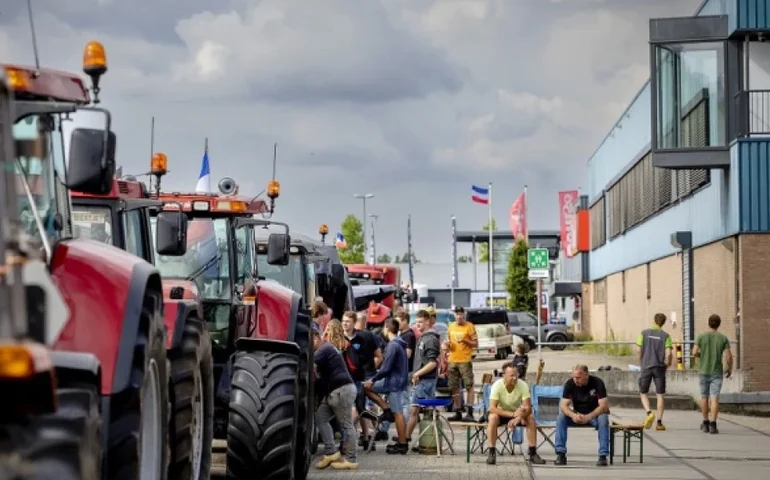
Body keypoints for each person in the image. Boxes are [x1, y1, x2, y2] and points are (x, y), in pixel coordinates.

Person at [313, 325, 358, 470]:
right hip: (334, 391)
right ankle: (331, 451)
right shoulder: (327, 347)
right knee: (320, 417)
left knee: (346, 425)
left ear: (315, 338)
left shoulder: (322, 350)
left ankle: (351, 459)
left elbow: (307, 365)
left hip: (341, 391)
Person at [362, 318, 410, 454]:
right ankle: (387, 410)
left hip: (393, 383)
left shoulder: (393, 345)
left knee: (398, 413)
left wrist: (373, 379)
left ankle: (402, 444)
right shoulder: (400, 344)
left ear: (387, 329)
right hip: (397, 381)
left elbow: (386, 368)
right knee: (367, 388)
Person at [485, 362, 546, 466]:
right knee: (493, 417)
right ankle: (491, 452)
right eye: (511, 376)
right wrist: (512, 415)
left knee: (530, 418)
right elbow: (492, 408)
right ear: (504, 376)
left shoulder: (522, 385)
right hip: (502, 413)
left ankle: (533, 453)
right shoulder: (497, 385)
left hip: (518, 414)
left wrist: (518, 417)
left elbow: (528, 408)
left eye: (516, 375)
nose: (515, 378)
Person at [554, 364, 610, 467]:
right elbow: (563, 405)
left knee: (603, 418)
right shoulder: (570, 384)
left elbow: (603, 406)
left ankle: (603, 456)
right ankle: (560, 453)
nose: (576, 380)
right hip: (577, 414)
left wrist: (589, 416)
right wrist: (573, 415)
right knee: (561, 417)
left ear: (586, 375)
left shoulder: (597, 383)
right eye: (574, 377)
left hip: (594, 415)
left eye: (578, 377)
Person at [341, 311, 382, 446]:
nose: (345, 324)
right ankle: (366, 436)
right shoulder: (339, 338)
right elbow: (379, 357)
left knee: (360, 408)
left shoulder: (364, 338)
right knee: (361, 407)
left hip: (363, 377)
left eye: (348, 321)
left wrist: (368, 368)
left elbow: (377, 356)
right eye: (344, 321)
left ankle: (350, 440)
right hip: (347, 379)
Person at [404, 309, 441, 447]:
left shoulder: (430, 339)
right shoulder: (422, 337)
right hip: (421, 379)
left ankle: (405, 440)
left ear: (427, 321)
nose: (417, 324)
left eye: (420, 322)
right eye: (416, 322)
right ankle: (422, 441)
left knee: (414, 410)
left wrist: (417, 374)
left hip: (426, 381)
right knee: (418, 411)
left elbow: (433, 363)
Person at [692, 314, 733, 434]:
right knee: (715, 398)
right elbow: (729, 356)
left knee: (704, 397)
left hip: (703, 371)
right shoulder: (723, 338)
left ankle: (705, 423)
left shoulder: (701, 336)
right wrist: (729, 369)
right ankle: (713, 425)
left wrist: (701, 355)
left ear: (708, 323)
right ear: (719, 324)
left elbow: (694, 352)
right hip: (717, 372)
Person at [380, 310, 416, 438]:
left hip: (400, 376)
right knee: (398, 407)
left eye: (398, 321)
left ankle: (403, 435)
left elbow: (407, 355)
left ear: (405, 321)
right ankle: (386, 429)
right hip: (398, 376)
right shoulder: (400, 338)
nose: (396, 324)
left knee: (403, 406)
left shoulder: (408, 336)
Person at [636, 313, 673, 431]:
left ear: (654, 320)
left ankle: (649, 413)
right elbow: (669, 353)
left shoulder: (644, 333)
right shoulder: (666, 336)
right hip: (660, 368)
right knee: (660, 395)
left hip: (646, 366)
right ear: (663, 323)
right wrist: (668, 363)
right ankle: (659, 423)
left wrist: (640, 363)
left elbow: (638, 350)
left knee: (643, 392)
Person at [446, 306, 478, 422]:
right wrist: (447, 346)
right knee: (454, 387)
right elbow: (449, 342)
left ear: (464, 315)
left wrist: (465, 340)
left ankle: (469, 412)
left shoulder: (469, 326)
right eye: (457, 314)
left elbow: (475, 344)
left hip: (464, 360)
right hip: (452, 360)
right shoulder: (451, 326)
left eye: (461, 314)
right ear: (454, 315)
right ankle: (458, 411)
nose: (459, 316)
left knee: (469, 385)